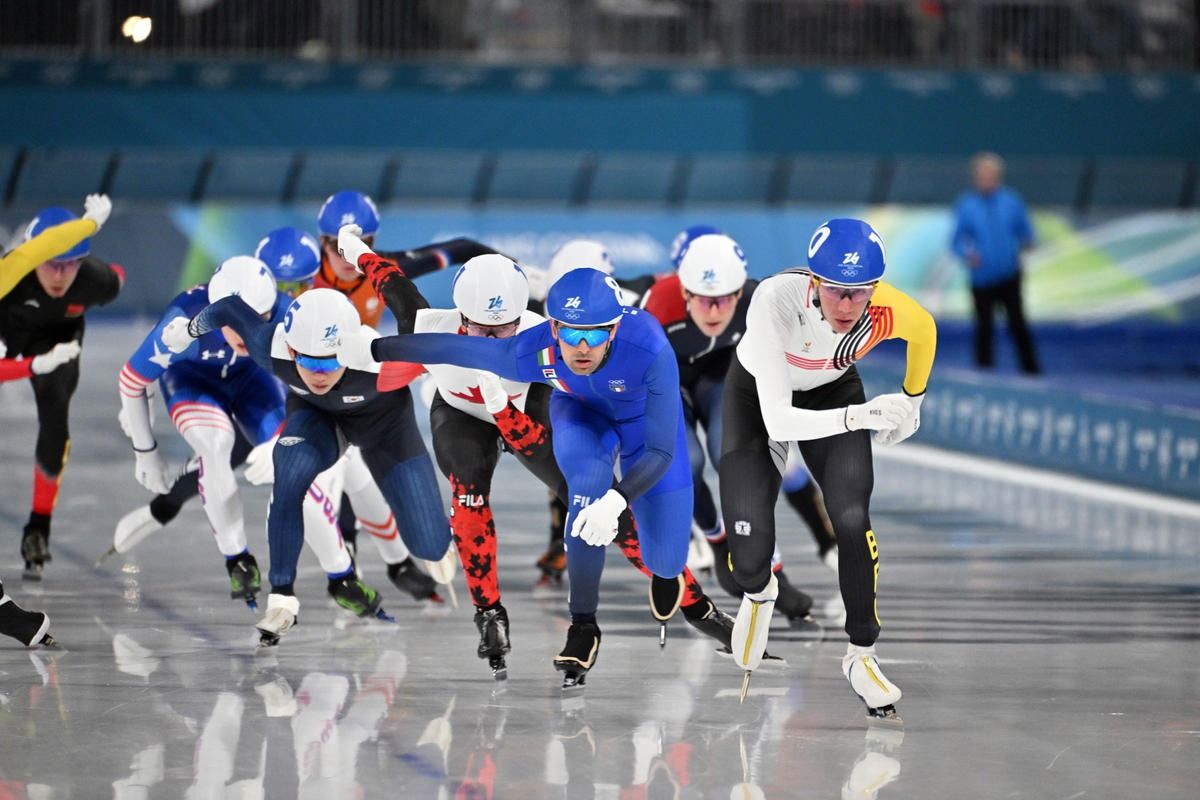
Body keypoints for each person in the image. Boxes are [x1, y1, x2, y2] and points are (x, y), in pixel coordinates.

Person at [346, 237, 736, 679]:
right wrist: (356, 257)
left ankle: (693, 602)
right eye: (480, 329)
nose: (492, 339)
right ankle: (489, 613)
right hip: (461, 417)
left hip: (527, 409)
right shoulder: (432, 324)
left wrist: (504, 410)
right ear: (461, 319)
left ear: (522, 317)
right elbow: (392, 282)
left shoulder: (540, 338)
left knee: (597, 506)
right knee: (468, 495)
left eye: (504, 328)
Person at [722, 218, 936, 719]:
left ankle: (862, 654)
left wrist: (913, 401)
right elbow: (778, 419)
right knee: (748, 559)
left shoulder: (886, 310)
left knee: (852, 516)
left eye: (859, 293)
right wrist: (862, 416)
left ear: (875, 288)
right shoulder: (775, 300)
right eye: (836, 291)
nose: (846, 306)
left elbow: (924, 330)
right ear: (815, 282)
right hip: (757, 398)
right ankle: (760, 593)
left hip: (832, 390)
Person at [159, 283, 452, 647]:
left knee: (429, 546)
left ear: (349, 349)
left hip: (386, 429)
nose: (318, 373)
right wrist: (189, 330)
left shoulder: (379, 356)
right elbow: (228, 307)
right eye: (307, 361)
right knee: (289, 473)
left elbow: (450, 351)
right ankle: (282, 598)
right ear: (290, 348)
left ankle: (438, 541)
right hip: (318, 419)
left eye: (329, 361)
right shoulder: (270, 346)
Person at [115, 255, 371, 611]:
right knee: (215, 445)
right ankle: (237, 558)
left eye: (258, 320)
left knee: (295, 465)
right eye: (232, 322)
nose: (246, 332)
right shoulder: (183, 321)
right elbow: (131, 380)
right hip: (193, 381)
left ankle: (341, 574)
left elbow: (322, 384)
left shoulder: (287, 316)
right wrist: (145, 451)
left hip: (253, 381)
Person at [639, 230, 838, 622]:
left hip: (722, 378)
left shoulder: (759, 298)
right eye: (704, 300)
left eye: (726, 299)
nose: (715, 311)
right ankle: (717, 542)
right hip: (668, 383)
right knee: (684, 463)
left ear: (740, 292)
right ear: (685, 293)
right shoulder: (658, 305)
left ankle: (772, 570)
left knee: (737, 456)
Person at [0, 201, 123, 579]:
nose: (59, 275)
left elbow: (116, 278)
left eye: (70, 264)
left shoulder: (94, 280)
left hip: (59, 342)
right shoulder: (9, 282)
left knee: (56, 416)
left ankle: (38, 527)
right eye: (52, 263)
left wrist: (90, 226)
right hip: (10, 337)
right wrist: (31, 365)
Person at [950, 151, 1039, 374]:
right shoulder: (966, 205)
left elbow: (1026, 231)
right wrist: (968, 255)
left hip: (1010, 274)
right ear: (975, 177)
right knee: (984, 327)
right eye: (983, 175)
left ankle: (1031, 371)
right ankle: (983, 373)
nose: (987, 179)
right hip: (981, 277)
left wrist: (1027, 243)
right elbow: (956, 240)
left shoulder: (1012, 201)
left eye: (991, 175)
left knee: (1017, 323)